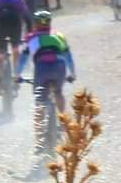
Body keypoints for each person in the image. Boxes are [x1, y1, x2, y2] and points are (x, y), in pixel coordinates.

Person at [16, 10, 76, 151]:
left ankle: (39, 143)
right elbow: (69, 57)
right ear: (50, 22)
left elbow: (23, 59)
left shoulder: (30, 37)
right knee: (58, 92)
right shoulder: (59, 36)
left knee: (40, 105)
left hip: (41, 69)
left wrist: (17, 75)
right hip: (59, 67)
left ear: (36, 24)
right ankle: (62, 121)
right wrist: (72, 74)